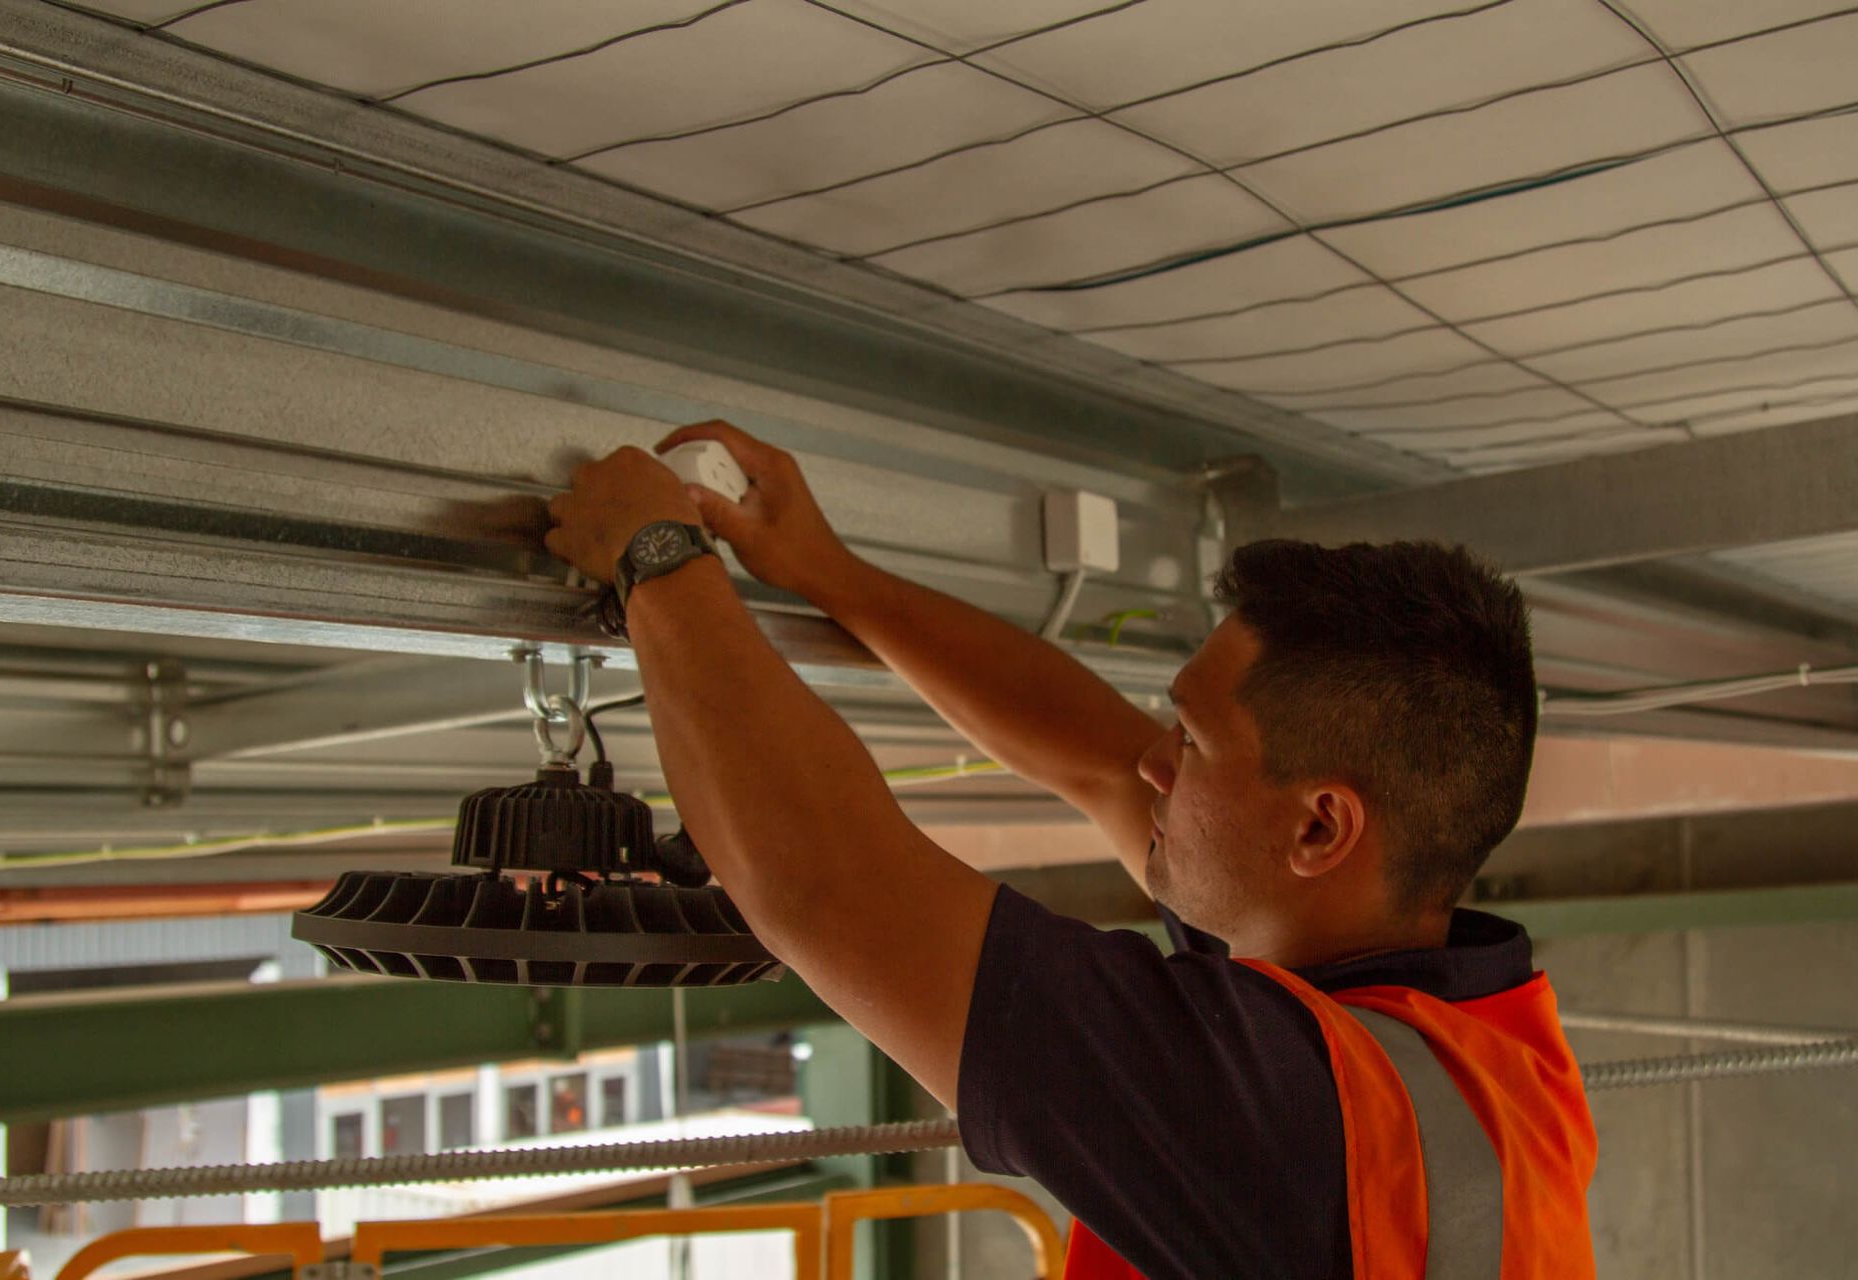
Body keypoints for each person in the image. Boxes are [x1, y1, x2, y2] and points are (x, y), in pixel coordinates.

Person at [544, 420, 1598, 1279]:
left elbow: (830, 888)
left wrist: (658, 560)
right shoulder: (1452, 1045)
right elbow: (1097, 758)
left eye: (1193, 744)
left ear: (1319, 827)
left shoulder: (1312, 1124)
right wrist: (831, 574)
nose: (1155, 767)